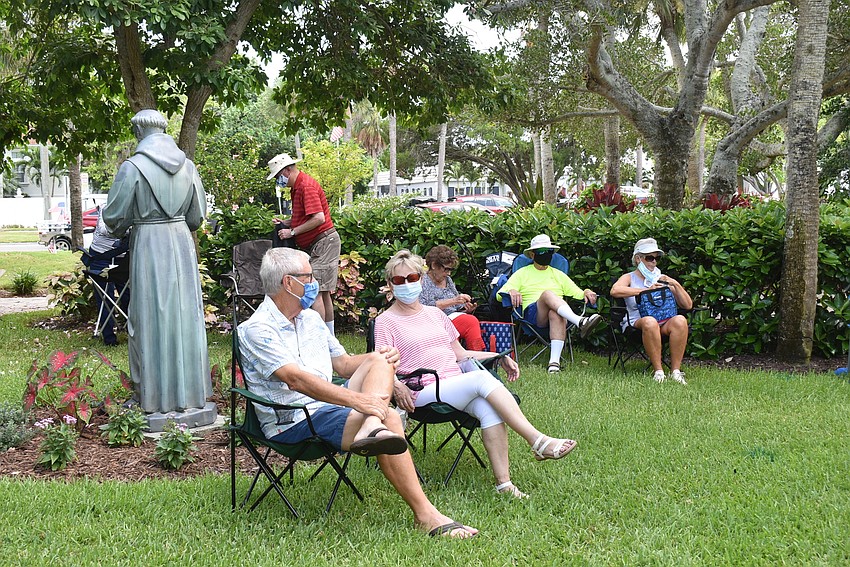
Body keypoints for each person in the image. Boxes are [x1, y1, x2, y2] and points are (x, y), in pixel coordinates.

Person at [238, 247, 477, 539]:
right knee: (388, 416)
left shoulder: (311, 319)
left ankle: (371, 426)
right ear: (289, 283)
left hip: (330, 408)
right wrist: (361, 401)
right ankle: (426, 515)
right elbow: (296, 380)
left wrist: (382, 356)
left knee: (379, 360)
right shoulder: (257, 329)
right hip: (295, 419)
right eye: (309, 277)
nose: (315, 282)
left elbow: (342, 364)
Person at [374, 250, 578, 499]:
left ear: (421, 279)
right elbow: (380, 363)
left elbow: (460, 354)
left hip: (454, 384)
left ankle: (505, 485)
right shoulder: (386, 321)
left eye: (412, 277)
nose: (406, 284)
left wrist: (499, 356)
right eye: (399, 280)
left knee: (488, 408)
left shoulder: (435, 314)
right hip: (421, 390)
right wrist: (395, 385)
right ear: (390, 285)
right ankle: (537, 441)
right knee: (480, 380)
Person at [102, 109, 212, 422]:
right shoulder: (188, 166)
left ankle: (151, 399)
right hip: (180, 244)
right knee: (185, 318)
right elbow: (196, 217)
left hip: (149, 246)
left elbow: (113, 219)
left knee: (149, 318)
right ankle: (190, 398)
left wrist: (134, 221)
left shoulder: (132, 167)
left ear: (139, 131)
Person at [497, 234, 603, 374]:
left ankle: (554, 364)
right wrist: (511, 290)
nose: (546, 254)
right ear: (532, 255)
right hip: (533, 316)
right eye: (541, 252)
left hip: (557, 316)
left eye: (549, 251)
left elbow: (578, 293)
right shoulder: (522, 273)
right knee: (547, 293)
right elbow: (499, 295)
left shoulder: (558, 274)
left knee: (555, 312)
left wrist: (587, 291)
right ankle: (579, 321)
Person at [267, 153, 340, 335]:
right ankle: (328, 338)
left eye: (278, 176)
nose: (278, 180)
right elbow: (303, 218)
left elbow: (318, 218)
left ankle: (319, 339)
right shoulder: (297, 187)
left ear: (287, 170)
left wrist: (291, 232)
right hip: (322, 243)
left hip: (324, 243)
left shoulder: (306, 186)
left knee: (314, 291)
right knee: (322, 293)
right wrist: (286, 223)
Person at [610, 238, 693, 384]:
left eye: (656, 258)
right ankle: (659, 372)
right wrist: (645, 291)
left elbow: (687, 305)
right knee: (650, 321)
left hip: (664, 321)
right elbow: (615, 291)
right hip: (637, 322)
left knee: (680, 319)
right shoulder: (629, 277)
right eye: (649, 258)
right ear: (638, 259)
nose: (653, 262)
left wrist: (674, 283)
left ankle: (675, 371)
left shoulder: (662, 278)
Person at [420, 245, 485, 351]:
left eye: (451, 270)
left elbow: (456, 305)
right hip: (435, 321)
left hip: (453, 318)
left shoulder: (448, 280)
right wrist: (453, 300)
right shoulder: (423, 281)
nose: (449, 273)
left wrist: (466, 308)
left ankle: (474, 356)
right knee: (470, 322)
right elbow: (423, 307)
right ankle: (477, 358)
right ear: (433, 265)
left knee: (469, 320)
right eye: (446, 269)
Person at [84, 207, 129, 346]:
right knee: (105, 299)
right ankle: (109, 338)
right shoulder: (106, 208)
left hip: (123, 260)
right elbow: (105, 230)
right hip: (100, 257)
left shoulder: (134, 208)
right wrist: (127, 228)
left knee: (129, 297)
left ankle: (133, 333)